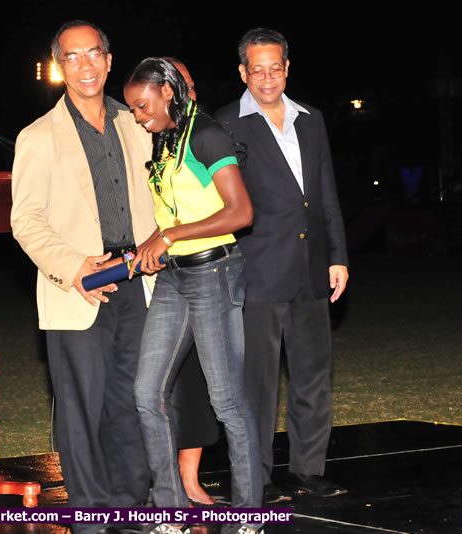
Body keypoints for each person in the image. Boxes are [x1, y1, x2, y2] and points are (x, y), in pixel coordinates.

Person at [10, 20, 156, 534]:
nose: (85, 64)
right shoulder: (37, 136)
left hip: (140, 280)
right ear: (59, 67)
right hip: (79, 287)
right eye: (72, 57)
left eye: (94, 53)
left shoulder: (137, 123)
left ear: (110, 60)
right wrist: (74, 267)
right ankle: (92, 515)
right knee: (82, 406)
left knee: (135, 400)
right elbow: (25, 219)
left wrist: (162, 244)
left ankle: (130, 505)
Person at [124, 57, 263, 534]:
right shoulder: (164, 141)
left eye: (142, 106)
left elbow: (241, 213)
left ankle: (248, 517)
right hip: (173, 277)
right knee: (146, 393)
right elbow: (172, 214)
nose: (139, 117)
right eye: (133, 110)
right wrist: (150, 243)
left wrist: (170, 236)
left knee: (226, 400)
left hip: (214, 273)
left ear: (167, 91)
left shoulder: (206, 134)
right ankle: (170, 512)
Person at [215, 28, 349, 503]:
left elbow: (326, 192)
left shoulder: (311, 119)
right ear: (242, 72)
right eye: (257, 69)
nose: (267, 78)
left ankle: (309, 470)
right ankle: (258, 478)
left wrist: (338, 257)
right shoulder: (225, 124)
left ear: (287, 68)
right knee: (257, 384)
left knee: (313, 375)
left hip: (312, 268)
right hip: (257, 271)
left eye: (275, 68)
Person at [164, 57, 221, 508]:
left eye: (184, 84)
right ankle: (158, 484)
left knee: (196, 384)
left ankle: (190, 482)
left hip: (203, 270)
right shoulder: (149, 137)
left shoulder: (204, 137)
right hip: (151, 278)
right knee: (153, 389)